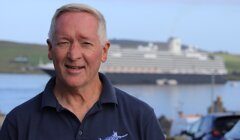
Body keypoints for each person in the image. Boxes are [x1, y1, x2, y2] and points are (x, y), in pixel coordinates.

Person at [0, 3, 165, 140]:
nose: (74, 55)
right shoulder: (18, 123)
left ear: (104, 51)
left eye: (85, 43)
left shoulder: (141, 117)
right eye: (64, 42)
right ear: (50, 49)